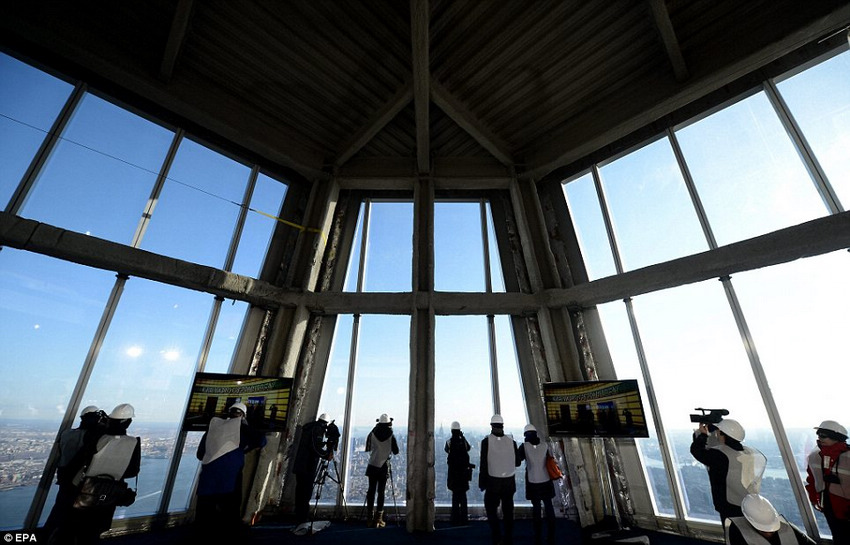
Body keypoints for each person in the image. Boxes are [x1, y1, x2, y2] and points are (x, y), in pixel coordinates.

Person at [64, 403, 141, 545]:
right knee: (94, 532)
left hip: (84, 490)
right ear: (128, 422)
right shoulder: (133, 443)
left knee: (73, 529)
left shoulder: (97, 437)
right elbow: (132, 471)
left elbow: (80, 461)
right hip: (108, 493)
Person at [195, 402, 267, 540]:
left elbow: (200, 454)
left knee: (203, 520)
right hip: (229, 482)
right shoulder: (242, 430)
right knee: (229, 518)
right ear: (243, 416)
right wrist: (246, 445)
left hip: (207, 482)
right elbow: (261, 440)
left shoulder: (213, 428)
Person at [44, 405, 107, 543]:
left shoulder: (66, 434)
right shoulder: (91, 437)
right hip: (79, 481)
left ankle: (49, 537)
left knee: (59, 511)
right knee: (76, 516)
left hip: (64, 478)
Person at [690, 418, 767, 524]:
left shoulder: (720, 455)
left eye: (718, 432)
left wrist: (702, 435)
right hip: (749, 502)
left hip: (729, 505)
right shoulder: (749, 452)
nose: (716, 434)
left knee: (733, 534)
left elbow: (697, 451)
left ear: (723, 434)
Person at [804, 420, 849, 544]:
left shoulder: (848, 456)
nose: (819, 438)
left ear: (836, 437)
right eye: (818, 435)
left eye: (823, 435)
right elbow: (812, 479)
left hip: (846, 505)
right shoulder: (815, 455)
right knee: (838, 536)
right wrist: (813, 498)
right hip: (829, 504)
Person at [479, 414, 520, 545]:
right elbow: (517, 462)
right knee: (508, 511)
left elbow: (483, 464)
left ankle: (497, 537)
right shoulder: (512, 441)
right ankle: (509, 537)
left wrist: (482, 483)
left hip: (493, 482)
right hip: (509, 481)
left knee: (491, 509)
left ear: (491, 426)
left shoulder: (486, 441)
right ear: (503, 426)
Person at [517, 424, 556, 545]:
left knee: (537, 510)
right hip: (546, 480)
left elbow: (518, 461)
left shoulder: (524, 446)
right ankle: (551, 535)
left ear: (525, 435)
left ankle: (538, 536)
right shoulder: (545, 445)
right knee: (549, 507)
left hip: (533, 481)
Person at [292, 413, 333, 524]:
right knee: (306, 492)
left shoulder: (308, 428)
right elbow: (315, 446)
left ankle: (299, 515)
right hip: (308, 465)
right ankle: (303, 517)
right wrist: (326, 454)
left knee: (300, 491)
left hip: (300, 464)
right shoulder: (317, 430)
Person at [725, 494, 814, 545]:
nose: (768, 533)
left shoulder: (789, 529)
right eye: (763, 530)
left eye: (772, 531)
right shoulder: (737, 533)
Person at [364, 413, 399, 528]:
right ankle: (379, 519)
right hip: (384, 466)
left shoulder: (372, 433)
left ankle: (369, 518)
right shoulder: (391, 435)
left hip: (373, 465)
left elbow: (368, 447)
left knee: (371, 491)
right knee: (381, 492)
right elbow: (396, 451)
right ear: (389, 423)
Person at [444, 421, 472, 525]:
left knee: (455, 496)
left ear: (451, 431)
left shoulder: (449, 442)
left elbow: (446, 450)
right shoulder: (463, 442)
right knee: (463, 497)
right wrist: (463, 437)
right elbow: (468, 448)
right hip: (463, 473)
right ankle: (464, 519)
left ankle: (455, 519)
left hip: (453, 474)